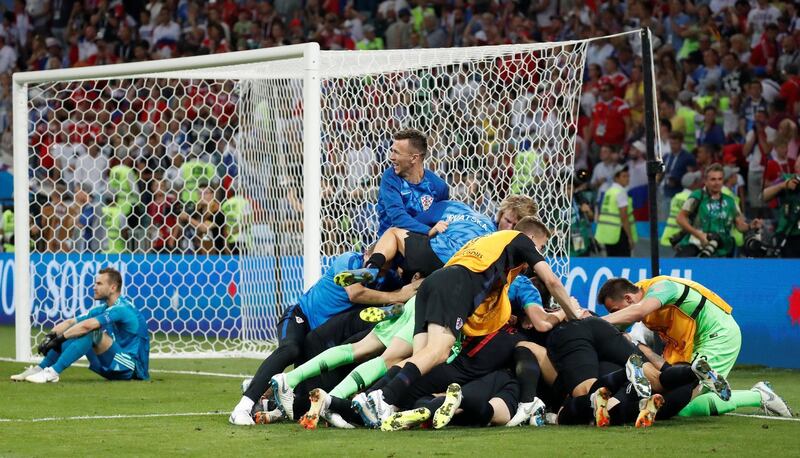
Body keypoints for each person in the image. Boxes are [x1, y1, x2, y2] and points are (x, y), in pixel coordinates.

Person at [365, 218, 589, 428]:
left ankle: (366, 401)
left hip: (433, 283)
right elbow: (551, 281)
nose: (539, 253)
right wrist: (571, 312)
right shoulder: (518, 240)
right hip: (455, 285)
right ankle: (383, 397)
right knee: (438, 352)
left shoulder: (489, 245)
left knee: (422, 358)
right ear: (531, 240)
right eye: (541, 247)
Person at [228, 249, 420, 425]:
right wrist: (396, 296)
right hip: (301, 317)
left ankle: (267, 398)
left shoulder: (389, 278)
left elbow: (402, 293)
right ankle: (242, 407)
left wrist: (405, 291)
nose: (380, 270)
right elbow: (355, 293)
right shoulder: (350, 260)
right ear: (368, 254)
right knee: (291, 349)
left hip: (323, 338)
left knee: (309, 391)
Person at [598, 276, 793, 418]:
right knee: (666, 386)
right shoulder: (639, 304)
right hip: (687, 345)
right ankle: (696, 374)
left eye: (614, 311)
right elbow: (633, 338)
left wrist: (595, 323)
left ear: (628, 299)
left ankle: (759, 395)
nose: (616, 316)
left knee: (683, 407)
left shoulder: (662, 288)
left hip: (718, 336)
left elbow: (637, 312)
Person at [12, 267, 150, 383]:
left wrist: (60, 339)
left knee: (91, 332)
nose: (94, 287)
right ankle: (40, 368)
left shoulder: (122, 308)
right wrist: (51, 336)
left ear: (113, 287)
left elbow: (87, 327)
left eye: (99, 284)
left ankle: (52, 373)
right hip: (113, 363)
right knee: (75, 331)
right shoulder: (104, 308)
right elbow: (70, 322)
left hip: (131, 368)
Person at [675, 163, 762, 257]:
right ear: (705, 181)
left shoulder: (730, 201)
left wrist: (750, 226)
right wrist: (699, 235)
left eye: (720, 179)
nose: (717, 183)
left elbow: (739, 225)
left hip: (723, 250)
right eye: (713, 179)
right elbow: (680, 218)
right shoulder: (697, 196)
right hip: (697, 245)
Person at [375, 129, 449, 238]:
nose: (391, 157)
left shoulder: (439, 186)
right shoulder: (390, 178)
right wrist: (428, 230)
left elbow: (441, 219)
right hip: (391, 246)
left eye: (396, 152)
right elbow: (398, 218)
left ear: (414, 158)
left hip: (425, 244)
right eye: (392, 151)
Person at [594, 165, 637, 257]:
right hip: (619, 234)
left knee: (612, 261)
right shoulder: (620, 192)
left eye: (628, 176)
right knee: (623, 262)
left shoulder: (609, 192)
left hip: (608, 234)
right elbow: (624, 217)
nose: (627, 179)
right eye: (624, 176)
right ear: (616, 178)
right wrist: (630, 237)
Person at [762, 160, 800, 257]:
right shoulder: (786, 179)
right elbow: (763, 196)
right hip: (787, 234)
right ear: (796, 168)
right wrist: (783, 186)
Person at [660, 171, 701, 247]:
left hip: (668, 235)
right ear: (692, 184)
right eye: (697, 181)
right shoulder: (693, 199)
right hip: (681, 239)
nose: (699, 183)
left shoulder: (676, 196)